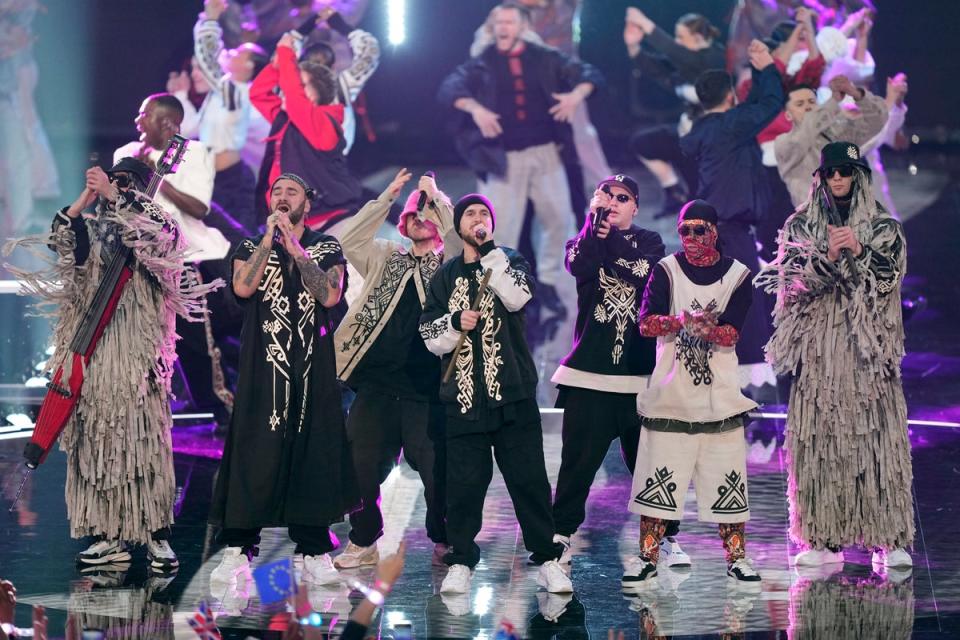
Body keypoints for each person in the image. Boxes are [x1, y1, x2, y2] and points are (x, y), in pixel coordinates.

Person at [4, 158, 215, 572]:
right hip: (94, 359)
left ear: (139, 188)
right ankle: (107, 536)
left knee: (143, 447)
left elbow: (160, 239)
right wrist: (84, 201)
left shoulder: (157, 223)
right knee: (97, 447)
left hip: (137, 358)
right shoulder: (97, 230)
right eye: (109, 180)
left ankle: (156, 536)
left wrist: (117, 195)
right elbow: (62, 240)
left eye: (122, 182)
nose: (112, 187)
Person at [755, 141, 913, 569]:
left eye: (846, 171)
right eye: (831, 172)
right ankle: (823, 538)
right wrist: (826, 258)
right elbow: (790, 289)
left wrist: (860, 253)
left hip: (867, 351)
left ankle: (889, 538)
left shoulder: (883, 227)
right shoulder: (800, 226)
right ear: (820, 179)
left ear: (859, 175)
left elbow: (888, 284)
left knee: (877, 440)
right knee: (820, 442)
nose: (839, 178)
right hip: (821, 352)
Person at [209, 173, 359, 586]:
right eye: (276, 191)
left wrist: (294, 246)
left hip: (312, 370)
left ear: (306, 203)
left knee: (312, 451)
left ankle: (312, 549)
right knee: (253, 451)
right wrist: (268, 241)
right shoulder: (247, 246)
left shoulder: (325, 246)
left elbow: (328, 295)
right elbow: (242, 288)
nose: (282, 197)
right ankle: (238, 548)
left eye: (292, 191)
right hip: (263, 370)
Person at [419, 193, 572, 595]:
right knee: (464, 487)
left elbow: (518, 296)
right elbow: (430, 336)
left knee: (529, 482)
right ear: (458, 226)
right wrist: (454, 320)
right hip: (464, 399)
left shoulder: (510, 260)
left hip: (513, 395)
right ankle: (462, 559)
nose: (477, 219)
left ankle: (547, 557)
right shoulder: (445, 274)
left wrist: (490, 254)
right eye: (469, 214)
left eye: (484, 213)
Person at [625, 200, 761, 589]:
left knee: (728, 479)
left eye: (699, 230)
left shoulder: (738, 275)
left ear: (715, 232)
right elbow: (647, 324)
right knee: (657, 478)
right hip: (671, 396)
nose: (691, 238)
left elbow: (734, 332)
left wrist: (710, 331)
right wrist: (681, 321)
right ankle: (646, 557)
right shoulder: (665, 271)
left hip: (720, 398)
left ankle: (737, 559)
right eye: (685, 231)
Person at [437, 1, 603, 318]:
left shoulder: (543, 57)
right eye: (498, 22)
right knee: (502, 228)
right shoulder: (483, 62)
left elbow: (588, 73)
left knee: (559, 219)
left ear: (523, 28)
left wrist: (575, 96)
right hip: (504, 159)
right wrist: (476, 109)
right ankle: (501, 289)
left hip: (545, 154)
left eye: (510, 23)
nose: (503, 28)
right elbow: (449, 87)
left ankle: (550, 282)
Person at [332, 169, 458, 568]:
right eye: (413, 214)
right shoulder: (386, 255)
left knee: (438, 472)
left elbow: (456, 238)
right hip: (376, 386)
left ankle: (444, 538)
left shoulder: (450, 266)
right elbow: (348, 240)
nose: (419, 218)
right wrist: (386, 197)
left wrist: (435, 197)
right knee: (359, 466)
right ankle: (364, 539)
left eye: (427, 214)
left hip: (427, 390)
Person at [549, 175, 667, 563]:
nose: (614, 203)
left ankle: (665, 539)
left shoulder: (651, 243)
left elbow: (642, 273)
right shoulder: (580, 242)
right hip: (589, 377)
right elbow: (580, 263)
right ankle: (561, 535)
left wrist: (609, 239)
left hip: (638, 378)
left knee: (650, 466)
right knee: (576, 466)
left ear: (635, 206)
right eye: (606, 196)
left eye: (623, 198)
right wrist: (593, 229)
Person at [114, 93, 238, 431]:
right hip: (140, 258)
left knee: (198, 340)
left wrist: (158, 179)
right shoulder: (125, 154)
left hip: (187, 258)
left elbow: (198, 208)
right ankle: (139, 410)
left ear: (168, 123)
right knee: (140, 338)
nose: (138, 121)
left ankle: (226, 409)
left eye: (145, 115)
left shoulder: (195, 152)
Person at [680, 41, 783, 380]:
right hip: (731, 232)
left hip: (707, 232)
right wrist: (766, 68)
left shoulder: (701, 131)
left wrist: (756, 69)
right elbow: (769, 104)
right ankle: (749, 387)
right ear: (729, 97)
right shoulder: (731, 126)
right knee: (745, 305)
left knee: (716, 303)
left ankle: (712, 377)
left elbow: (751, 109)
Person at [250, 32, 363, 233]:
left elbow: (294, 99)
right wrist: (276, 67)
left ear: (313, 94)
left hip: (332, 222)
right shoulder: (286, 119)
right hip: (295, 223)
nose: (286, 87)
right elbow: (258, 94)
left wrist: (285, 53)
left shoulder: (324, 122)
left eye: (299, 85)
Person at [623, 9, 726, 218]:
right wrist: (633, 45)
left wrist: (645, 22)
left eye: (681, 37)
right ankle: (673, 192)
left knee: (701, 205)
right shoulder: (683, 64)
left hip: (710, 145)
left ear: (698, 38)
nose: (677, 42)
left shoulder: (714, 58)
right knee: (642, 143)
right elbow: (656, 67)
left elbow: (676, 53)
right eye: (676, 37)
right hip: (686, 135)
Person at [187, 0, 268, 235]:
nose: (231, 52)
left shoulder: (235, 93)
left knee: (240, 246)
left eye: (239, 53)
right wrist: (206, 19)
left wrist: (211, 19)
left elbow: (208, 59)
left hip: (231, 180)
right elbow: (208, 55)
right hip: (211, 179)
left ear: (249, 66)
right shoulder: (225, 91)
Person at [774, 75, 887, 208]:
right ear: (788, 115)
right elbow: (808, 130)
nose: (808, 107)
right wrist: (833, 101)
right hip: (813, 222)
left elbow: (875, 123)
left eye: (812, 102)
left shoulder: (834, 133)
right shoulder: (783, 143)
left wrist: (856, 93)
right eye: (800, 104)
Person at [298, 5, 381, 157]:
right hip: (333, 167)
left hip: (300, 165)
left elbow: (281, 54)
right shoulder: (342, 87)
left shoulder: (290, 88)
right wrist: (342, 27)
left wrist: (304, 29)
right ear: (333, 64)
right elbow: (370, 52)